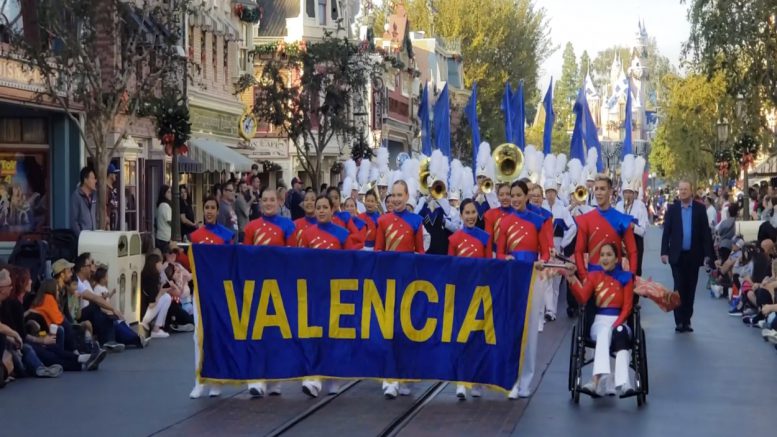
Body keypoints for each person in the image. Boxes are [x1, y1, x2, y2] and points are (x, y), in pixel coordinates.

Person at [298, 195, 360, 398]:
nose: (322, 211)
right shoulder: (307, 235)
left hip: (337, 293)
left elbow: (352, 263)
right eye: (319, 208)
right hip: (315, 293)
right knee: (315, 335)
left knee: (334, 336)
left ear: (332, 210)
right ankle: (313, 378)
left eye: (325, 207)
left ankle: (334, 376)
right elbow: (301, 263)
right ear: (315, 211)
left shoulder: (342, 235)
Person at [496, 180, 551, 399]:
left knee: (529, 330)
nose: (515, 199)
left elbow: (546, 252)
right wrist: (505, 257)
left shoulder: (539, 221)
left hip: (532, 277)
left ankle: (526, 380)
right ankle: (512, 380)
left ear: (527, 196)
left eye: (519, 195)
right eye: (512, 195)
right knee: (511, 328)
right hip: (511, 277)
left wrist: (541, 262)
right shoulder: (505, 222)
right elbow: (499, 252)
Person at [242, 187, 295, 398]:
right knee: (256, 333)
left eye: (272, 200)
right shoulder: (252, 227)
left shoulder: (287, 226)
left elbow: (292, 258)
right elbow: (245, 257)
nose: (269, 203)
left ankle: (275, 380)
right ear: (261, 202)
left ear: (279, 201)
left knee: (277, 335)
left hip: (279, 287)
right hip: (257, 287)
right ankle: (256, 378)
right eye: (265, 200)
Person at [563, 243, 635, 397]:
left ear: (616, 259)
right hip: (600, 321)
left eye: (609, 255)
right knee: (604, 332)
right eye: (602, 255)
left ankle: (624, 383)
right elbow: (582, 297)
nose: (605, 258)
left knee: (620, 332)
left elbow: (628, 307)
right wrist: (572, 277)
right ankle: (597, 381)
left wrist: (616, 324)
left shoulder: (626, 278)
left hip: (620, 321)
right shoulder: (594, 276)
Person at [375, 180, 424, 399]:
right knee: (389, 330)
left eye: (399, 195)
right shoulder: (383, 221)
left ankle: (405, 377)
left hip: (408, 283)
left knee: (406, 330)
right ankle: (389, 378)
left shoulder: (416, 221)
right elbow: (378, 251)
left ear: (407, 196)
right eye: (393, 195)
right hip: (388, 282)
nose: (395, 199)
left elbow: (421, 254)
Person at [189, 196, 234, 399]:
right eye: (206, 207)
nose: (209, 211)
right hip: (200, 292)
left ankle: (217, 382)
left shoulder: (227, 235)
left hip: (220, 292)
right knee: (198, 335)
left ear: (218, 211)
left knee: (219, 334)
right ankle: (199, 381)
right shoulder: (195, 236)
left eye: (212, 208)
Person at [448, 199, 491, 400]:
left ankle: (478, 381)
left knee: (478, 338)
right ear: (461, 215)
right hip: (462, 293)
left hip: (480, 292)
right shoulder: (454, 239)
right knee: (461, 337)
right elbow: (451, 266)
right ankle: (461, 381)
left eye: (474, 212)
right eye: (467, 212)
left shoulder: (485, 237)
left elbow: (490, 265)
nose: (471, 216)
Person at [661, 180, 714, 333]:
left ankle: (687, 320)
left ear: (691, 191)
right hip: (677, 256)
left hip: (693, 255)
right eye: (681, 189)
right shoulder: (672, 209)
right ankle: (679, 321)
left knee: (690, 288)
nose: (683, 192)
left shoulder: (699, 209)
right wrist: (664, 252)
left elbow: (705, 233)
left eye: (685, 189)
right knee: (679, 288)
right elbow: (667, 232)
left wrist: (707, 255)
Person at [574, 175, 638, 280]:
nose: (598, 193)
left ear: (610, 192)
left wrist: (631, 277)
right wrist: (584, 276)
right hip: (592, 281)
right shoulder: (586, 219)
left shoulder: (621, 219)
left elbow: (633, 252)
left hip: (616, 281)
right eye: (597, 189)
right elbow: (578, 251)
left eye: (602, 189)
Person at [543, 180, 577, 321]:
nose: (550, 195)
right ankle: (548, 309)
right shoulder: (541, 208)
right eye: (548, 192)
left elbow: (573, 227)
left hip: (557, 247)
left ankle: (553, 310)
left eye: (552, 192)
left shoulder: (562, 210)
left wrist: (563, 243)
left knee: (556, 280)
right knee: (545, 279)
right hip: (544, 248)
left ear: (556, 193)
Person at [616, 184, 649, 277]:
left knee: (636, 270)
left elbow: (643, 231)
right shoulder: (619, 205)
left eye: (630, 192)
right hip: (621, 242)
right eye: (626, 192)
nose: (628, 195)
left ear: (634, 194)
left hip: (636, 240)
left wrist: (633, 226)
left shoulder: (640, 206)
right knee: (620, 269)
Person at [70, 166, 97, 235]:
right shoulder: (76, 196)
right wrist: (80, 236)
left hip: (94, 236)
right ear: (85, 180)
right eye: (93, 178)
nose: (95, 181)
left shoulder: (94, 195)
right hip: (83, 238)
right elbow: (74, 221)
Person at [155, 185, 173, 254]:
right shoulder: (165, 205)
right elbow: (169, 221)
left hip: (161, 236)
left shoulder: (161, 205)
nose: (170, 194)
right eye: (168, 192)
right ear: (164, 193)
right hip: (165, 238)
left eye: (170, 192)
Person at [106, 163, 120, 230]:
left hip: (114, 216)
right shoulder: (106, 189)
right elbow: (105, 205)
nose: (116, 175)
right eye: (114, 173)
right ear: (110, 174)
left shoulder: (113, 188)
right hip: (109, 217)